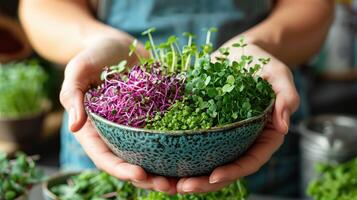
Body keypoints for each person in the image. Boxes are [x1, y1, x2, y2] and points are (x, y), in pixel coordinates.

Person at [19, 0, 334, 196]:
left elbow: (314, 6)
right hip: (108, 141)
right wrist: (102, 41)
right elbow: (42, 6)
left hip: (259, 135)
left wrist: (261, 46)